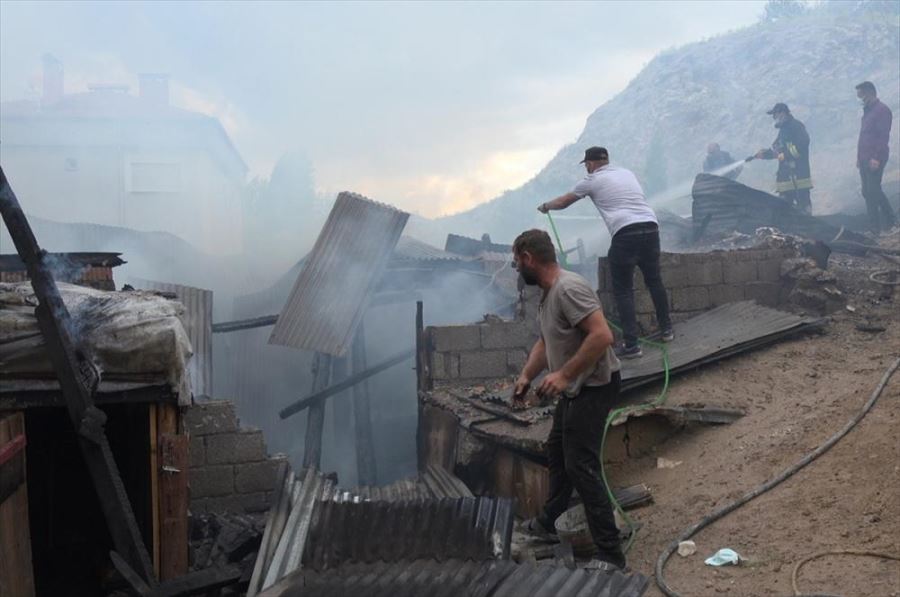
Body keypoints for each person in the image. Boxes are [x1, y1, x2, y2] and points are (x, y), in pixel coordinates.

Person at [511, 229, 625, 571]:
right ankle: (549, 522)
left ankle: (610, 554)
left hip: (595, 386)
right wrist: (526, 376)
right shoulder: (549, 294)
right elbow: (546, 342)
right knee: (557, 449)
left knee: (581, 465)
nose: (517, 269)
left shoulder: (568, 289)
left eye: (517, 262)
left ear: (529, 258)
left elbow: (602, 335)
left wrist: (563, 375)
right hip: (577, 388)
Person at [537, 146, 673, 359]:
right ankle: (667, 330)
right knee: (654, 281)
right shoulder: (626, 173)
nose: (587, 168)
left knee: (624, 290)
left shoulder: (591, 180)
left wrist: (546, 206)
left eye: (586, 165)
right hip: (651, 227)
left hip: (625, 232)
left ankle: (632, 345)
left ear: (590, 164)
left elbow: (564, 202)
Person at [755, 103, 813, 214]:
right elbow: (777, 149)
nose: (774, 118)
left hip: (799, 175)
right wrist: (765, 154)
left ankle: (809, 221)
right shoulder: (783, 130)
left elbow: (803, 143)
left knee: (803, 205)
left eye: (775, 115)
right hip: (786, 176)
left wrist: (786, 155)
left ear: (783, 113)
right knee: (785, 205)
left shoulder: (796, 126)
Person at [856, 81, 897, 234]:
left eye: (862, 96)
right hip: (865, 157)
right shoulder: (867, 112)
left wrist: (876, 157)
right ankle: (879, 225)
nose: (861, 100)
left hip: (875, 157)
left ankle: (887, 223)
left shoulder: (882, 111)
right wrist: (859, 157)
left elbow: (882, 136)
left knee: (873, 190)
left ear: (870, 93)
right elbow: (863, 137)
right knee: (867, 192)